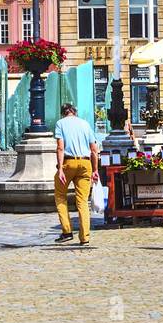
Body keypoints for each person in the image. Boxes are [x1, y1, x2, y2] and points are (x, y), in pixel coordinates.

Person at [53, 102, 100, 245]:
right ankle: (84, 237)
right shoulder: (85, 124)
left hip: (69, 163)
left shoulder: (60, 123)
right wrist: (95, 170)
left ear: (63, 112)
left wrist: (60, 168)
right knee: (82, 201)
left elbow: (60, 148)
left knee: (60, 195)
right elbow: (94, 149)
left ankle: (67, 231)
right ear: (75, 112)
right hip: (86, 164)